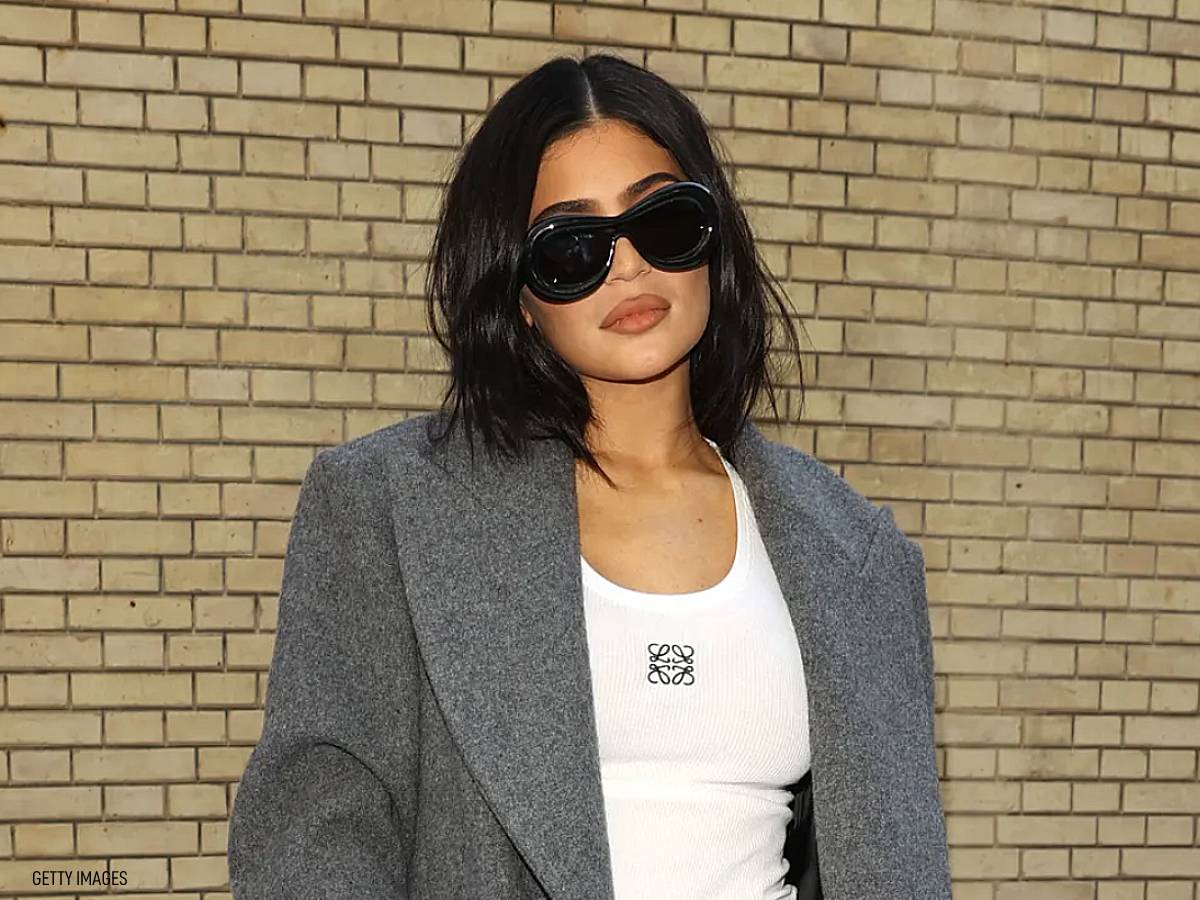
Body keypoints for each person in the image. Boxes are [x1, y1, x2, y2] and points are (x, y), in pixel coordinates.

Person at [226, 53, 951, 900]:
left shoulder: (856, 552)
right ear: (520, 295)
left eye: (665, 221)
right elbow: (315, 831)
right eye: (572, 248)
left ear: (713, 240)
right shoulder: (385, 507)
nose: (629, 266)